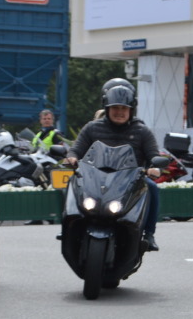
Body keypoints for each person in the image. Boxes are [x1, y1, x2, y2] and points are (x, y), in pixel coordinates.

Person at [66, 84, 164, 251]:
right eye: (115, 108)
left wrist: (154, 166)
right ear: (107, 108)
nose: (120, 112)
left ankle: (149, 234)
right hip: (94, 178)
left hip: (130, 180)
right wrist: (72, 158)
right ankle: (68, 226)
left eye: (124, 108)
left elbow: (153, 155)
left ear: (131, 110)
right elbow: (77, 148)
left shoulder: (142, 131)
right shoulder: (92, 127)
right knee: (70, 183)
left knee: (152, 188)